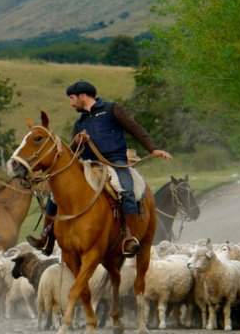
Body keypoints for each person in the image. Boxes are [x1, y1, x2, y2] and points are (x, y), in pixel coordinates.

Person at [27, 80, 172, 255]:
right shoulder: (80, 122)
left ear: (82, 96)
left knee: (126, 190)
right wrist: (78, 142)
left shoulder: (112, 109)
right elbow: (72, 153)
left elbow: (135, 128)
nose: (71, 103)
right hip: (88, 165)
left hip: (114, 162)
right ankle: (47, 236)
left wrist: (153, 148)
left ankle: (128, 236)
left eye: (72, 98)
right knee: (55, 195)